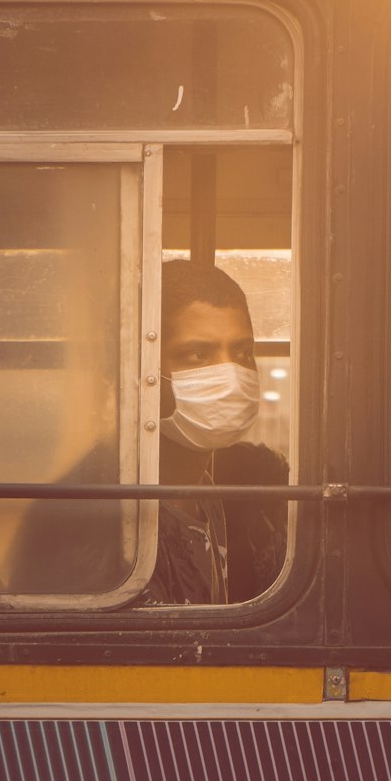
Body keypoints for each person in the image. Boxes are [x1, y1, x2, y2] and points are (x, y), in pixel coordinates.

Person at [140, 258, 286, 605]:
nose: (230, 375)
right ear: (146, 369)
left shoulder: (205, 491)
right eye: (197, 354)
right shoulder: (109, 515)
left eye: (242, 352)